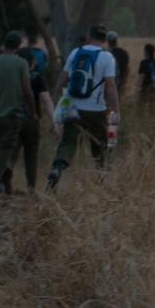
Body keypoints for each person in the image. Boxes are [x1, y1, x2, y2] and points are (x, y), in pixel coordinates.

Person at [46, 24, 120, 190]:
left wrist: (56, 99)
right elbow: (110, 87)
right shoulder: (107, 58)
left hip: (73, 108)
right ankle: (102, 178)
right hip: (96, 110)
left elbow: (63, 79)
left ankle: (57, 169)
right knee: (102, 143)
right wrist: (115, 111)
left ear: (89, 36)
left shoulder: (75, 53)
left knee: (68, 142)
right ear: (105, 39)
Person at [0, 31, 39, 194]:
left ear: (4, 44)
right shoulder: (22, 64)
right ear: (19, 46)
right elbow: (27, 91)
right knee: (5, 151)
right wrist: (33, 112)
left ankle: (4, 186)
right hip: (13, 116)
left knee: (0, 151)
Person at [107, 31, 130, 95]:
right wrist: (124, 81)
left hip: (108, 84)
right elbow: (127, 69)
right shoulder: (124, 53)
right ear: (116, 40)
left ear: (108, 41)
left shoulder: (106, 54)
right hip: (121, 83)